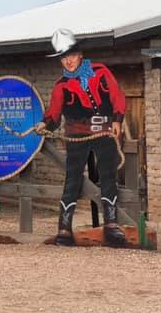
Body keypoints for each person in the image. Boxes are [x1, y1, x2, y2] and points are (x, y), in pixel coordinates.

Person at [34, 28, 127, 247]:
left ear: (80, 54)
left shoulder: (101, 72)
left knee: (108, 177)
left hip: (104, 132)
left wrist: (117, 120)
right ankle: (64, 229)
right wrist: (44, 124)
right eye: (64, 57)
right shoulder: (60, 86)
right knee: (72, 180)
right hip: (77, 135)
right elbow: (54, 114)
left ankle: (111, 225)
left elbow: (117, 96)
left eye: (72, 55)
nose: (69, 61)